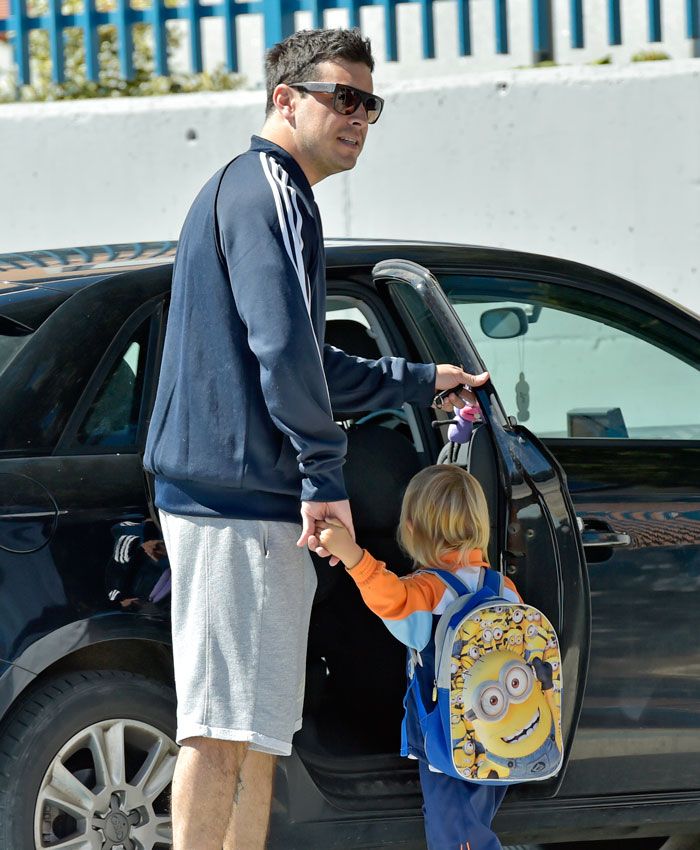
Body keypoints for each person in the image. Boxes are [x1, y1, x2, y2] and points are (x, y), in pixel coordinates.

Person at [144, 26, 489, 850]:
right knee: (220, 728)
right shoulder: (266, 190)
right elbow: (285, 353)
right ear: (285, 99)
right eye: (342, 97)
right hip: (236, 502)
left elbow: (304, 351)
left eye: (369, 103)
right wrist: (322, 473)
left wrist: (416, 379)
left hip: (244, 500)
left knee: (259, 735)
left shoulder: (271, 193)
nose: (358, 116)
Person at [315, 464, 521, 850]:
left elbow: (389, 600)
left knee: (454, 835)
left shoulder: (427, 591)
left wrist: (353, 556)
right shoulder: (505, 589)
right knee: (473, 824)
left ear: (410, 528)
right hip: (502, 733)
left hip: (447, 738)